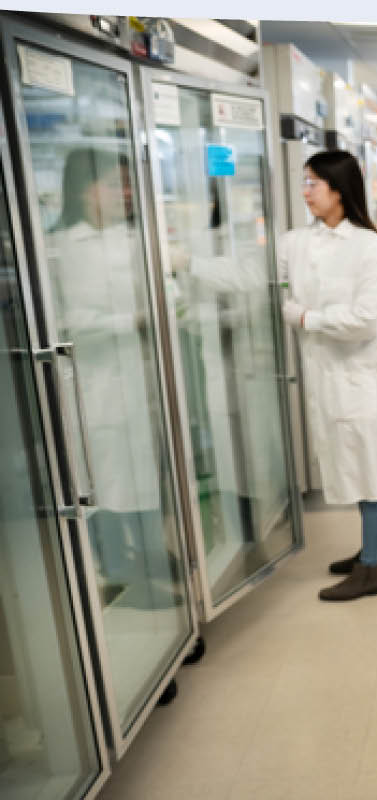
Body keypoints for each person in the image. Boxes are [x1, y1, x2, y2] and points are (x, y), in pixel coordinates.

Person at [47, 147, 182, 611]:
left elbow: (171, 289)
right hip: (93, 382)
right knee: (104, 476)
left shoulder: (134, 239)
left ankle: (149, 557)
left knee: (146, 470)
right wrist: (132, 321)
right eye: (114, 184)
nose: (126, 194)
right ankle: (120, 572)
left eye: (128, 185)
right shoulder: (61, 247)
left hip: (140, 378)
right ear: (85, 191)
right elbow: (66, 320)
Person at [278, 150, 377, 602]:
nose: (306, 191)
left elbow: (366, 319)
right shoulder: (297, 241)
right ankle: (376, 549)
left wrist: (307, 318)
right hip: (328, 376)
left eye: (314, 183)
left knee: (373, 473)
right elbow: (264, 281)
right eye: (304, 182)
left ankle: (372, 571)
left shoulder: (369, 246)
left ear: (339, 188)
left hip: (360, 378)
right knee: (358, 466)